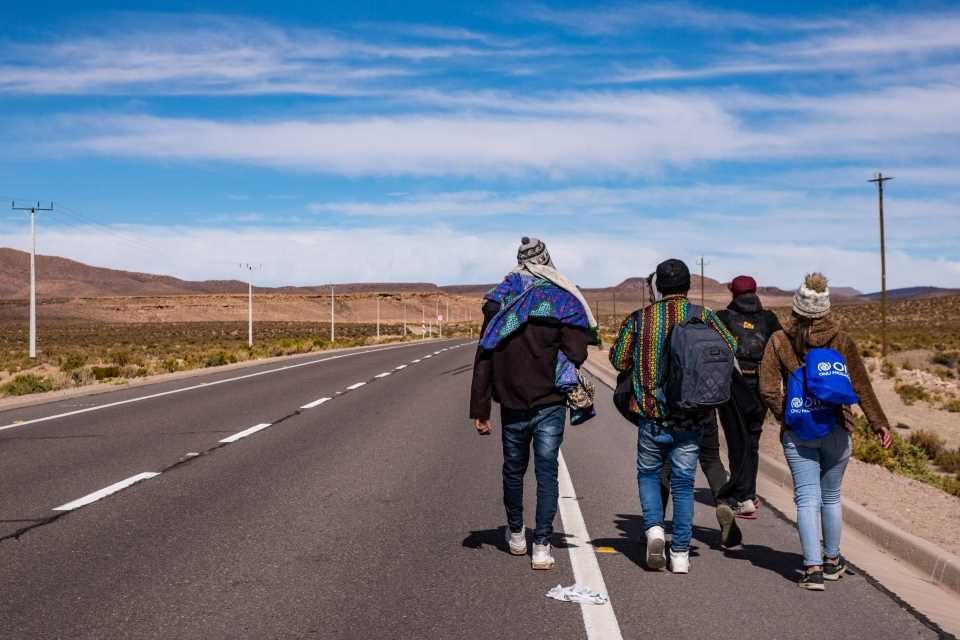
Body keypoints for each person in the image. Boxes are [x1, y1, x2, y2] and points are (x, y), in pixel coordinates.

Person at [470, 237, 597, 570]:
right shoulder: (561, 300)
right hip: (550, 400)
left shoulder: (498, 301)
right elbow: (578, 351)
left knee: (513, 470)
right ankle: (541, 544)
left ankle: (515, 534)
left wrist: (480, 409)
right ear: (546, 260)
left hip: (511, 402)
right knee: (546, 472)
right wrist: (557, 364)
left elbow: (484, 355)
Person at [759, 273, 892, 590]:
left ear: (796, 307)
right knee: (831, 497)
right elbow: (862, 386)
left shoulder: (779, 340)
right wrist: (879, 423)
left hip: (800, 431)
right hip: (837, 427)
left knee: (807, 499)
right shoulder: (842, 340)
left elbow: (767, 389)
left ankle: (813, 568)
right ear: (826, 308)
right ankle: (833, 560)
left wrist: (788, 416)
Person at [609, 259, 737, 574]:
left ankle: (654, 530)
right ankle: (680, 553)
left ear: (658, 287)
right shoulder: (704, 317)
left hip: (652, 416)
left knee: (650, 474)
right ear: (687, 285)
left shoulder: (639, 319)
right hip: (692, 417)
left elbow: (618, 358)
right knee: (682, 483)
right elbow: (730, 347)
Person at [717, 275, 783, 518]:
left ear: (732, 293)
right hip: (760, 388)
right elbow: (781, 350)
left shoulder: (722, 318)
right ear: (755, 292)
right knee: (752, 440)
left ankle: (741, 495)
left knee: (736, 439)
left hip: (731, 386)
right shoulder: (769, 319)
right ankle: (748, 492)